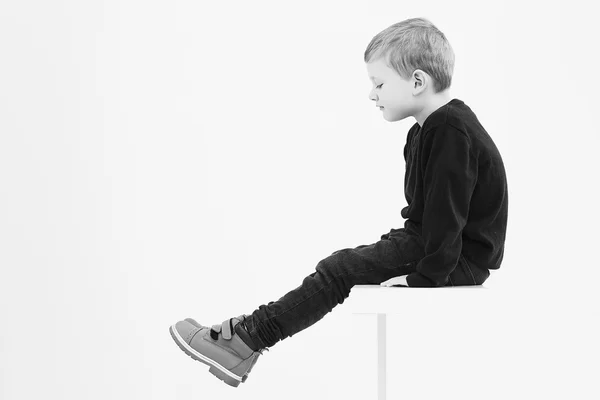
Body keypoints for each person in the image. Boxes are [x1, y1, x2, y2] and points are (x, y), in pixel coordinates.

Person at [169, 16, 508, 388]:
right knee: (345, 264)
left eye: (379, 83)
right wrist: (394, 249)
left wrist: (424, 278)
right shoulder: (425, 130)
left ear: (416, 82)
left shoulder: (448, 130)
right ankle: (246, 342)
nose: (372, 94)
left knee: (339, 270)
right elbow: (425, 215)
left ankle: (246, 341)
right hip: (436, 246)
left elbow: (447, 216)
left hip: (456, 258)